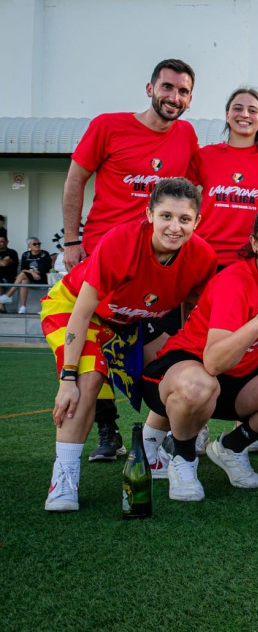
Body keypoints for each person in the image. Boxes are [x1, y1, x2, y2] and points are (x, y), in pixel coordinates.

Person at [43, 178, 216, 511]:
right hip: (76, 309)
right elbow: (82, 310)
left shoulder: (202, 257)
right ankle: (63, 476)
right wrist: (67, 377)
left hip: (131, 319)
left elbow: (192, 311)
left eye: (184, 219)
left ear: (197, 222)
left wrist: (186, 351)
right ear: (149, 214)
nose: (174, 227)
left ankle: (150, 449)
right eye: (166, 216)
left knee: (175, 373)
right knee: (88, 378)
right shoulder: (121, 241)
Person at [61, 59, 200, 460]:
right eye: (168, 87)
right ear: (150, 88)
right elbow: (75, 180)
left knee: (158, 346)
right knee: (94, 342)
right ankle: (107, 429)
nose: (174, 97)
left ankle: (168, 426)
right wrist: (72, 241)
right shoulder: (108, 125)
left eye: (183, 91)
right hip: (103, 255)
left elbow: (198, 185)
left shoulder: (187, 135)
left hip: (156, 265)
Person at [141, 188, 258, 502]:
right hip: (181, 373)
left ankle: (230, 447)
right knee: (199, 386)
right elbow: (214, 363)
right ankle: (183, 457)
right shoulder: (235, 282)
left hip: (231, 381)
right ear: (255, 244)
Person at [192, 87, 258, 268]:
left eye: (253, 110)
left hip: (250, 259)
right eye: (238, 108)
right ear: (227, 115)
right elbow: (177, 195)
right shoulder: (206, 155)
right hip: (203, 254)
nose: (245, 114)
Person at [0, 236, 51, 313]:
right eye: (34, 244)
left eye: (39, 243)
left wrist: (30, 272)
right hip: (30, 276)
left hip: (41, 278)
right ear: (29, 245)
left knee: (23, 275)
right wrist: (32, 272)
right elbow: (23, 268)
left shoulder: (44, 254)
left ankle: (8, 295)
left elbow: (43, 269)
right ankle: (23, 307)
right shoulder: (25, 254)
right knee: (24, 281)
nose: (37, 245)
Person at [0, 234, 17, 313]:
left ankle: (1, 307)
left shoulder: (12, 252)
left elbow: (4, 264)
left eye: (2, 241)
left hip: (8, 278)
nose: (0, 243)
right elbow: (2, 262)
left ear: (7, 242)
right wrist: (2, 260)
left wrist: (4, 261)